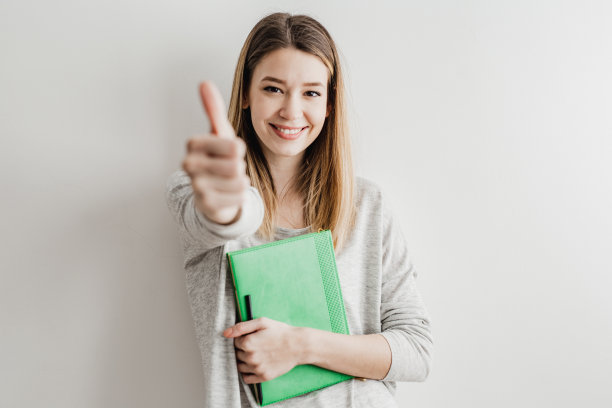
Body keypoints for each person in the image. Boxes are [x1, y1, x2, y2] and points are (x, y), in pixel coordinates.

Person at [165, 12, 433, 408]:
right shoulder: (196, 191)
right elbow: (229, 216)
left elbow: (416, 352)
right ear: (246, 94)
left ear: (328, 105)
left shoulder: (368, 205)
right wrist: (225, 196)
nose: (291, 111)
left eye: (310, 93)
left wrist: (300, 345)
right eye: (273, 89)